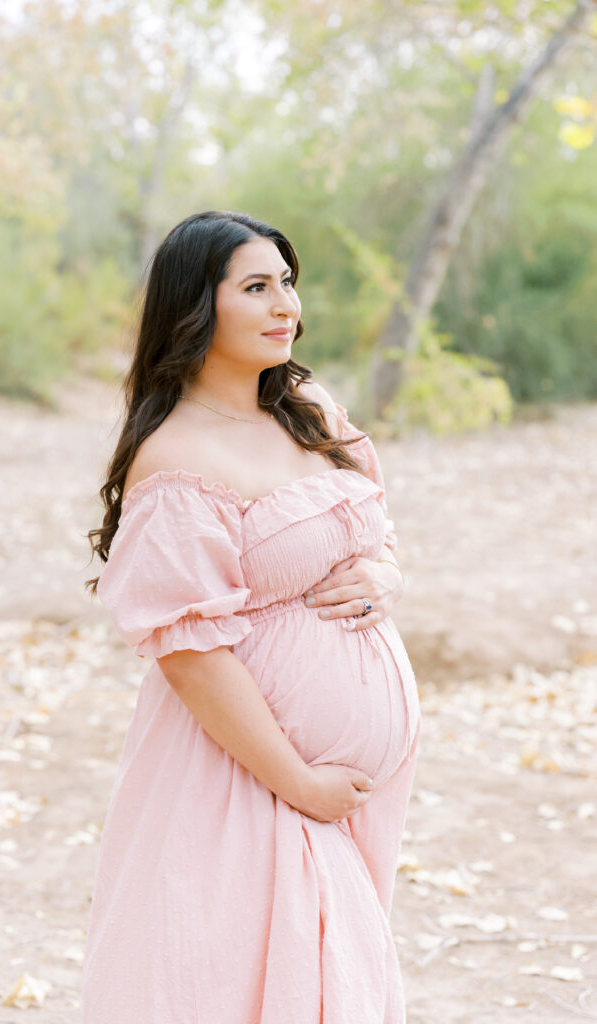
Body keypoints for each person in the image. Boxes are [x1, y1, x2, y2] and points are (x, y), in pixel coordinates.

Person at [81, 210, 421, 1023]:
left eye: (288, 284)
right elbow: (189, 652)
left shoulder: (306, 405)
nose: (286, 307)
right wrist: (298, 781)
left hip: (344, 786)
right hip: (249, 777)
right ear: (197, 306)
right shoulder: (175, 459)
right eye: (257, 287)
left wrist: (382, 571)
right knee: (247, 984)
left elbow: (376, 526)